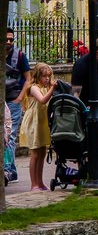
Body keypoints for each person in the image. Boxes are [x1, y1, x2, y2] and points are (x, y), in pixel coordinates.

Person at [19, 63, 54, 191]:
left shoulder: (46, 87)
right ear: (38, 76)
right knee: (35, 153)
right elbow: (43, 100)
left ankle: (40, 182)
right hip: (34, 122)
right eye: (44, 76)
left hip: (42, 122)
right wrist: (52, 89)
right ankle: (33, 184)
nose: (47, 79)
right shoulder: (33, 87)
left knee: (42, 152)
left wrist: (51, 88)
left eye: (49, 77)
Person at [5, 28, 30, 183]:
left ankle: (6, 171)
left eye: (11, 40)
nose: (9, 42)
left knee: (9, 136)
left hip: (13, 100)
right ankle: (12, 172)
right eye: (6, 39)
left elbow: (28, 79)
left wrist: (19, 98)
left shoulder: (20, 56)